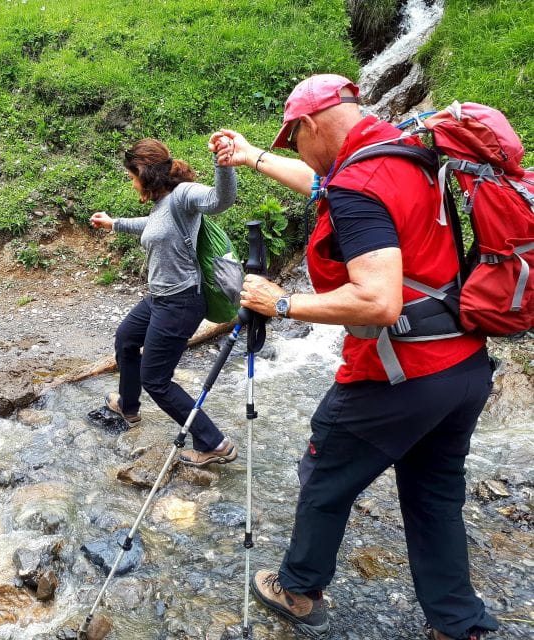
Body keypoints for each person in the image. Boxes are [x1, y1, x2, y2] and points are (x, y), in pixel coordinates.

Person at [209, 74, 498, 640]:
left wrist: (282, 302)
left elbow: (378, 299)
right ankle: (457, 622)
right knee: (434, 494)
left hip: (399, 373)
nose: (299, 154)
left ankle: (298, 590)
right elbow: (322, 184)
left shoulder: (359, 184)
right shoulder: (405, 153)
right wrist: (252, 157)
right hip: (462, 365)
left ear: (311, 124)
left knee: (324, 473)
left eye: (294, 141)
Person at [89, 137, 239, 467]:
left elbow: (221, 199)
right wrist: (114, 223)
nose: (131, 183)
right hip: (160, 299)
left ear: (143, 172)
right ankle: (128, 407)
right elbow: (152, 226)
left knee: (156, 379)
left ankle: (213, 443)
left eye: (132, 176)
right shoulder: (163, 206)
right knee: (127, 339)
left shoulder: (183, 196)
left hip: (181, 303)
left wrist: (223, 164)